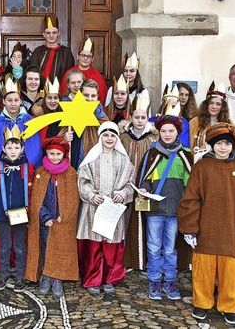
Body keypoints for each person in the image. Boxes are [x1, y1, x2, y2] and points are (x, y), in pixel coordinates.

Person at [178, 122, 235, 325]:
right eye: (218, 143)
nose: (223, 148)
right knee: (203, 269)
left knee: (230, 271)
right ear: (211, 145)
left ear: (233, 145)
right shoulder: (201, 167)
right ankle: (202, 303)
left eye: (227, 143)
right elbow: (191, 199)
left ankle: (229, 305)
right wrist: (189, 229)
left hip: (232, 230)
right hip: (206, 229)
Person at [137, 115, 194, 300]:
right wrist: (144, 187)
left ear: (178, 131)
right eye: (163, 131)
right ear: (158, 133)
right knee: (153, 246)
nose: (167, 134)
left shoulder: (185, 154)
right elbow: (146, 175)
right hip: (155, 208)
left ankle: (169, 279)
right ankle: (154, 279)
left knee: (170, 248)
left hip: (176, 209)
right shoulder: (152, 153)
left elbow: (190, 183)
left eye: (171, 130)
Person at [77, 122, 135, 296]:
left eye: (112, 135)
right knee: (93, 247)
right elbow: (82, 181)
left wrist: (123, 194)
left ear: (117, 138)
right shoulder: (91, 158)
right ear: (100, 137)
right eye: (106, 135)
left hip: (113, 210)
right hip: (94, 208)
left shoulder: (124, 160)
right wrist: (92, 195)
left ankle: (110, 278)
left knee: (112, 248)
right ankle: (92, 279)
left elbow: (131, 184)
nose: (109, 138)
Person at [0, 135, 35, 292]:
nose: (13, 151)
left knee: (19, 246)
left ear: (22, 149)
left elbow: (32, 192)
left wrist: (29, 212)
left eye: (16, 148)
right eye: (9, 148)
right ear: (3, 149)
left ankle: (20, 276)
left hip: (21, 214)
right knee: (4, 246)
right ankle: (3, 274)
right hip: (2, 214)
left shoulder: (28, 168)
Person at [25, 137, 79, 297]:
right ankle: (46, 276)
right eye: (51, 154)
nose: (55, 157)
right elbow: (35, 198)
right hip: (46, 220)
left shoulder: (70, 172)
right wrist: (45, 216)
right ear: (46, 153)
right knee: (46, 247)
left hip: (62, 220)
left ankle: (57, 278)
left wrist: (65, 215)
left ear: (64, 155)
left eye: (58, 154)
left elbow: (73, 198)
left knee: (60, 248)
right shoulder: (41, 172)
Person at [119, 94, 157, 271]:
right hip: (126, 185)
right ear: (131, 118)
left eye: (143, 117)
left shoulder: (152, 139)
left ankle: (144, 259)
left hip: (145, 186)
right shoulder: (124, 137)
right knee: (126, 222)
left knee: (144, 222)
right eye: (136, 117)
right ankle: (129, 258)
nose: (140, 121)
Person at [0, 78, 43, 167]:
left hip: (26, 168)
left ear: (21, 101)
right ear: (3, 101)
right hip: (5, 169)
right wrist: (5, 166)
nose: (13, 104)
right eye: (9, 100)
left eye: (16, 100)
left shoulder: (29, 120)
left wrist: (25, 166)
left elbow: (35, 148)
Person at [61, 81, 109, 169]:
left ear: (97, 96)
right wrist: (64, 139)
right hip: (74, 165)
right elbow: (58, 141)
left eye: (93, 96)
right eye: (86, 95)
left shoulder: (102, 118)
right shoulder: (71, 113)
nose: (90, 99)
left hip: (93, 167)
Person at [188, 82, 231, 158]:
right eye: (211, 103)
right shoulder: (195, 122)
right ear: (206, 105)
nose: (214, 107)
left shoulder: (228, 124)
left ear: (222, 107)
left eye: (218, 104)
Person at [60, 37, 107, 104]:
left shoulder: (98, 76)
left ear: (92, 59)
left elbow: (102, 98)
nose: (85, 58)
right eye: (83, 55)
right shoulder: (69, 73)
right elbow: (63, 93)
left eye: (88, 56)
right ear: (77, 56)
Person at [29, 14, 75, 81]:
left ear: (58, 33)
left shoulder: (66, 53)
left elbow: (70, 75)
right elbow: (31, 73)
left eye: (54, 32)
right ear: (44, 34)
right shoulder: (37, 52)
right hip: (39, 90)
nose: (51, 35)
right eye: (48, 33)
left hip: (60, 90)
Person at [30, 78, 62, 142]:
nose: (53, 101)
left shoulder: (64, 116)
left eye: (55, 98)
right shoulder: (37, 116)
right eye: (49, 98)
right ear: (44, 99)